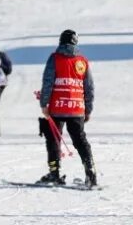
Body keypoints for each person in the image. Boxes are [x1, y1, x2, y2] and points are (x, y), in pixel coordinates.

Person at [37, 28, 96, 187]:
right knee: (80, 140)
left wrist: (44, 104)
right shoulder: (82, 61)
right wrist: (88, 109)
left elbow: (48, 82)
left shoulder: (54, 58)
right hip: (76, 108)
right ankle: (91, 173)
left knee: (53, 139)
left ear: (61, 41)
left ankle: (54, 173)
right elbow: (89, 87)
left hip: (57, 107)